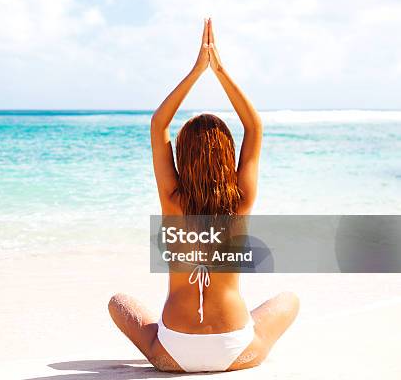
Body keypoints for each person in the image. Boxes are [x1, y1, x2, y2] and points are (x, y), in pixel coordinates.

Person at [108, 18, 299, 372]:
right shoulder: (240, 200)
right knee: (288, 300)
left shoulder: (172, 200)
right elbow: (254, 126)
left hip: (173, 355)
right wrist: (219, 69)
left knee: (119, 302)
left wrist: (197, 71)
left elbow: (157, 125)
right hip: (235, 350)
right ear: (229, 157)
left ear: (182, 156)